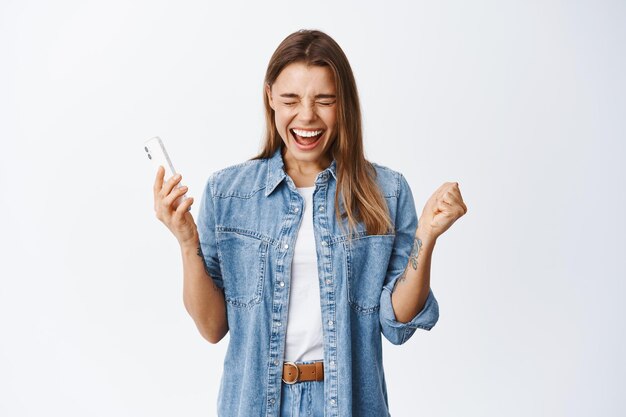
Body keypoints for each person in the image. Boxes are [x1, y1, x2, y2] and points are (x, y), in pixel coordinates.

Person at [153, 29, 467, 417]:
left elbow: (397, 323)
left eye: (324, 100)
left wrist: (426, 237)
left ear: (344, 104)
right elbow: (212, 327)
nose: (306, 116)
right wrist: (186, 242)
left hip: (348, 403)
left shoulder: (386, 192)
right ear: (270, 98)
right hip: (254, 404)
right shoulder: (228, 193)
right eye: (290, 100)